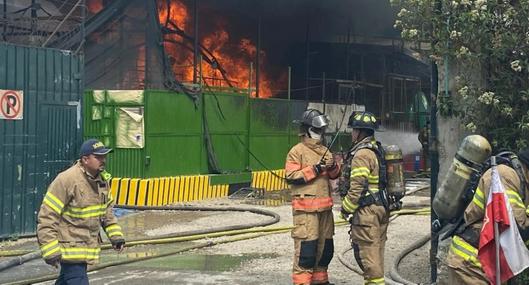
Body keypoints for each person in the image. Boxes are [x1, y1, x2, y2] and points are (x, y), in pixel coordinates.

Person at [37, 139, 125, 285]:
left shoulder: (102, 181)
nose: (103, 160)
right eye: (98, 157)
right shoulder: (67, 180)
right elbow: (47, 216)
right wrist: (50, 249)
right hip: (70, 250)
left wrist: (116, 237)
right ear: (85, 159)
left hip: (85, 249)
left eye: (104, 156)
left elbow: (107, 213)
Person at [445, 148, 529, 284]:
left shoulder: (522, 183)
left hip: (490, 265)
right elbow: (517, 228)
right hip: (471, 264)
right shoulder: (504, 176)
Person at [285, 109, 341, 285]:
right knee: (306, 252)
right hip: (306, 211)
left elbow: (334, 175)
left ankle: (320, 281)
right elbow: (291, 176)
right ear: (307, 129)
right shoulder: (297, 151)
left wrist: (332, 166)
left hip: (325, 211)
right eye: (317, 130)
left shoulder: (326, 150)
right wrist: (316, 169)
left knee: (325, 250)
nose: (320, 134)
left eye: (322, 131)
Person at [340, 111, 389, 285]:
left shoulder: (362, 155)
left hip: (367, 213)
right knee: (377, 253)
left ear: (360, 132)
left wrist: (345, 209)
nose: (352, 133)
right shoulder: (377, 150)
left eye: (354, 130)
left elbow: (357, 189)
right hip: (381, 208)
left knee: (369, 259)